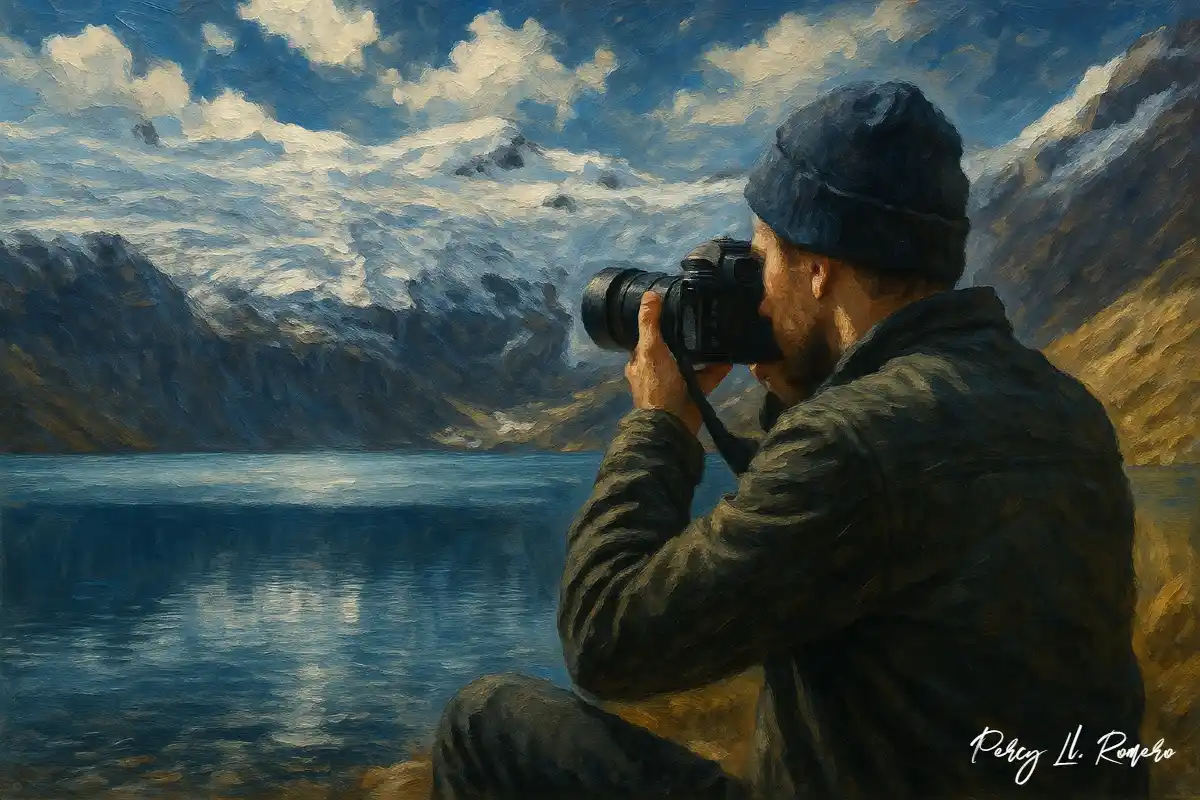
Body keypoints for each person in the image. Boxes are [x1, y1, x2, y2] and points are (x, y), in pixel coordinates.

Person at [429, 80, 1148, 800]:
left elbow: (605, 640)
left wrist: (659, 425)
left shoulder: (850, 441)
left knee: (485, 722)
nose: (760, 295)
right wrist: (803, 382)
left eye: (764, 260)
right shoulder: (1063, 406)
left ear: (818, 270)